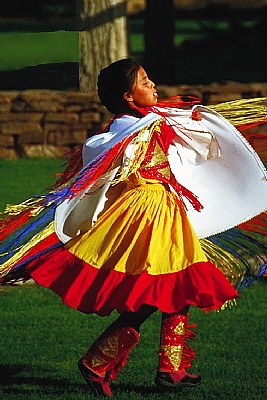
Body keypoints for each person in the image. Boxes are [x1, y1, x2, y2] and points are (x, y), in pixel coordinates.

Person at [1, 58, 266, 398]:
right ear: (128, 96)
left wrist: (197, 122)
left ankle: (161, 367)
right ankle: (110, 361)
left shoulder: (151, 121)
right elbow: (103, 154)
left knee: (175, 285)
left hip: (167, 209)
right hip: (147, 213)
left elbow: (189, 135)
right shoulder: (125, 131)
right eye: (144, 81)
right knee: (167, 284)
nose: (153, 84)